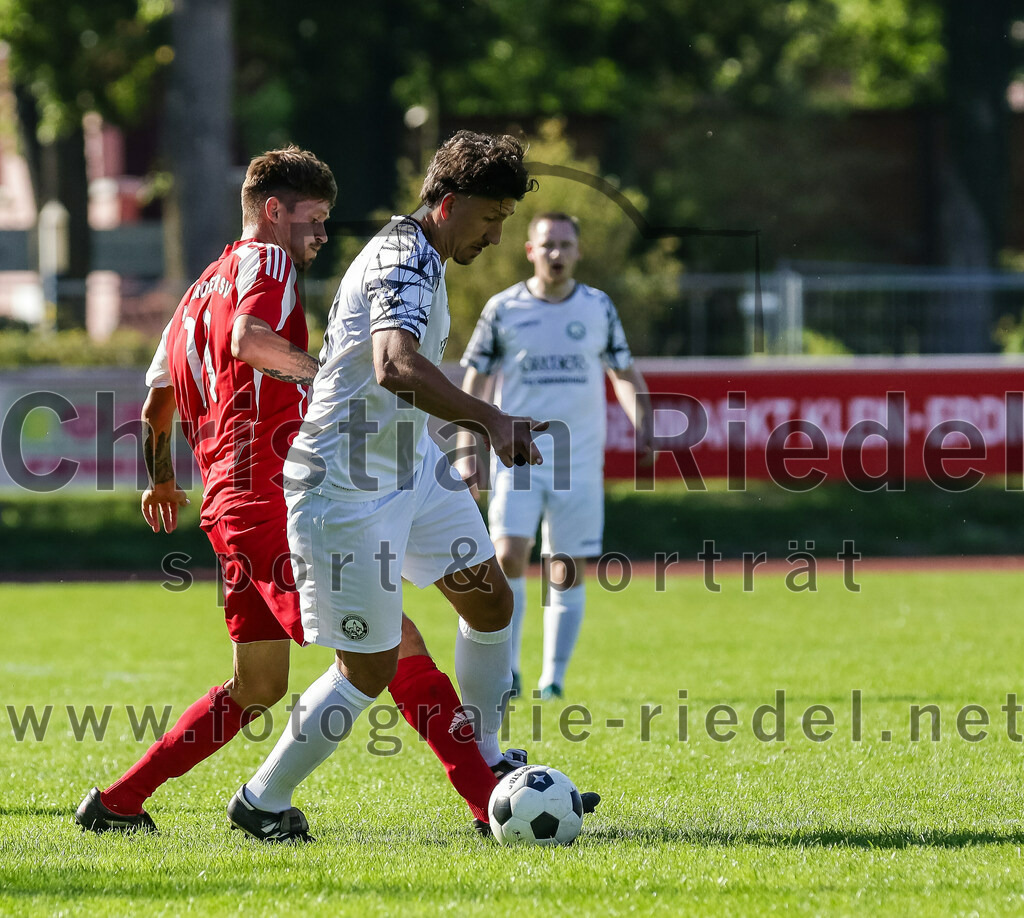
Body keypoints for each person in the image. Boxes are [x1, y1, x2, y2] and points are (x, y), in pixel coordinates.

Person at [74, 146, 511, 837]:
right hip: (269, 491)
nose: (319, 237)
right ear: (272, 212)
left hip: (226, 505)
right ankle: (489, 799)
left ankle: (118, 802)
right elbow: (250, 339)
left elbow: (157, 403)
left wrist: (162, 477)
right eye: (313, 220)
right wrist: (318, 373)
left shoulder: (195, 294)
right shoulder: (266, 261)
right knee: (391, 645)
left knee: (258, 686)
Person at [226, 131, 559, 843]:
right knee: (369, 668)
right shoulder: (403, 257)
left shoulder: (426, 256)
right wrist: (491, 420)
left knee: (489, 598)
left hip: (410, 469)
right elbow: (395, 368)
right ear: (447, 204)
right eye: (491, 219)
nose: (498, 237)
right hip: (341, 490)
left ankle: (491, 759)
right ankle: (262, 799)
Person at [455, 212, 652, 700]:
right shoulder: (503, 308)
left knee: (565, 567)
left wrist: (643, 422)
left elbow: (623, 371)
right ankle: (510, 671)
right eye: (548, 246)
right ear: (530, 251)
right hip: (517, 456)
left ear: (578, 251)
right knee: (508, 555)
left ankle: (553, 679)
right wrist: (467, 448)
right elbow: (475, 380)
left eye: (565, 245)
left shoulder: (597, 308)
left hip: (577, 461)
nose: (557, 254)